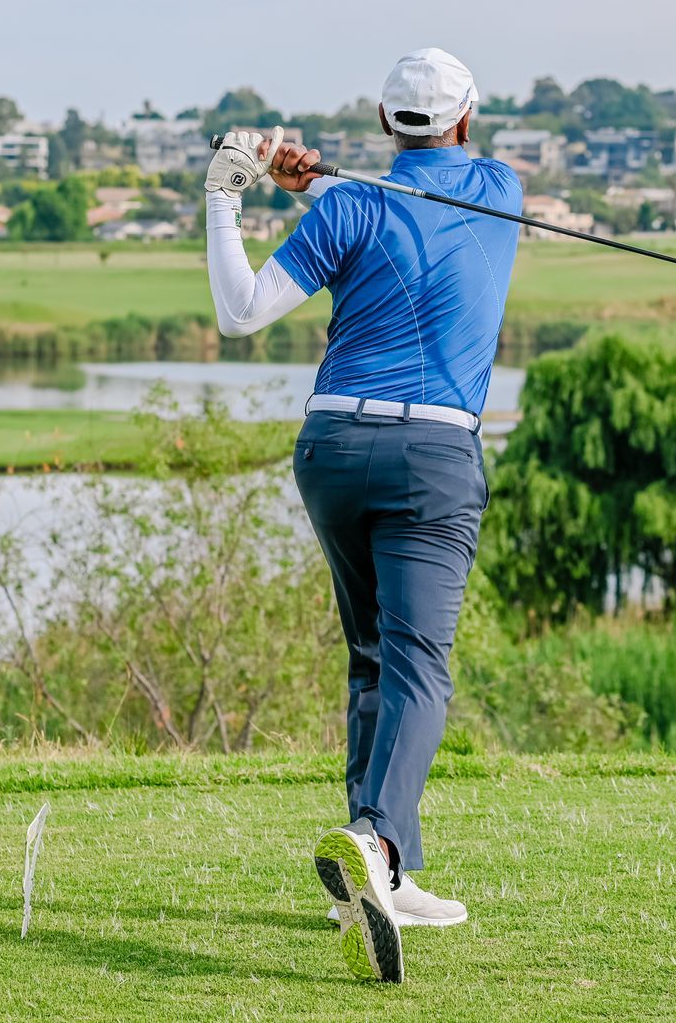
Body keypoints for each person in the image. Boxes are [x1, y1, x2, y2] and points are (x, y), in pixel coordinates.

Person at [202, 48, 520, 984]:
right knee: (420, 663)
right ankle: (376, 843)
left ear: (384, 121)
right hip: (433, 456)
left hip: (333, 447)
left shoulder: (348, 208)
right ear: (467, 119)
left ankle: (382, 877)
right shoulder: (500, 190)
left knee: (375, 655)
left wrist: (229, 196)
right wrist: (314, 184)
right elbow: (418, 214)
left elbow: (241, 312)